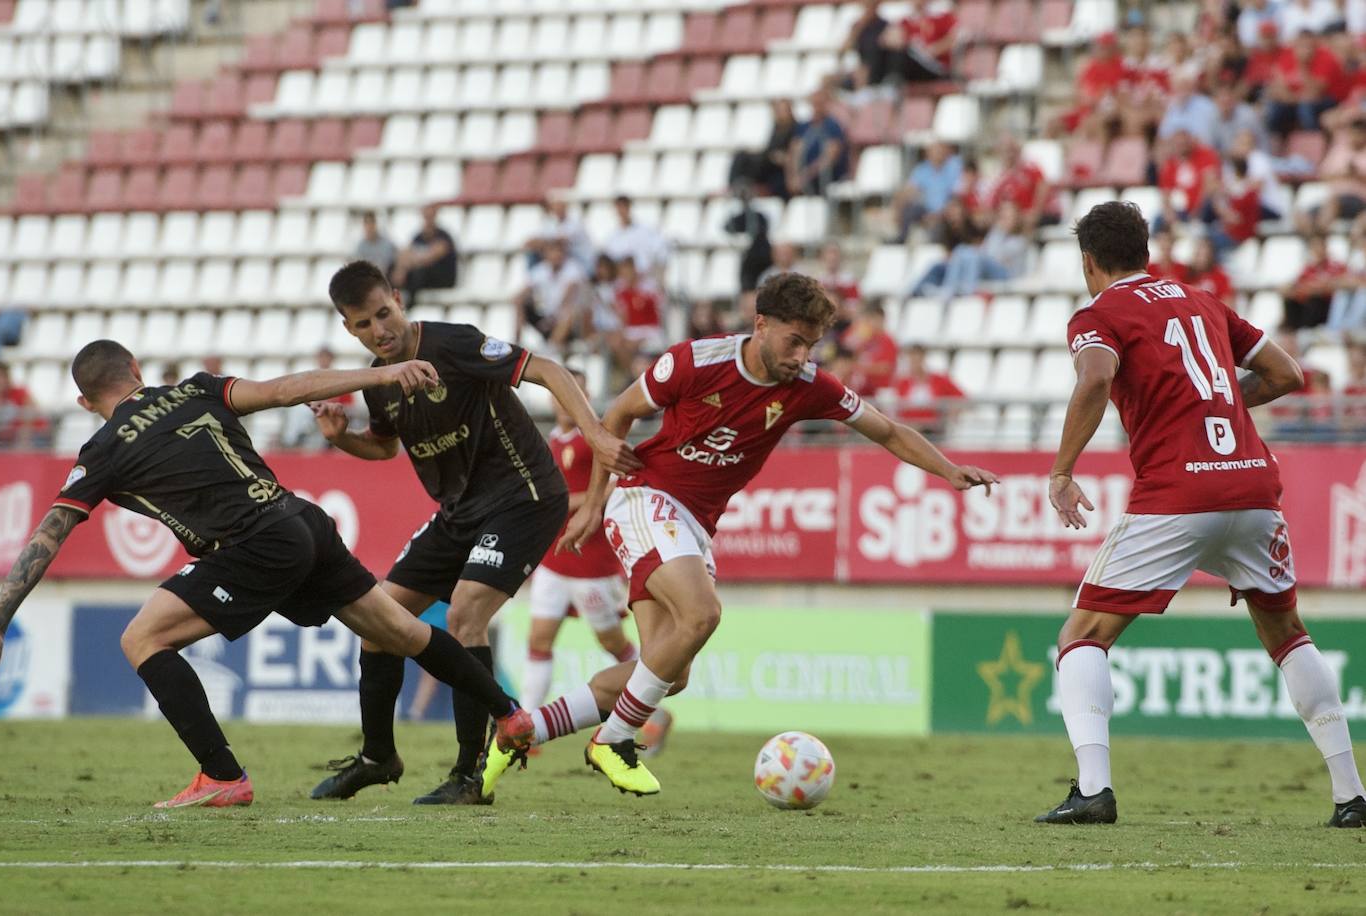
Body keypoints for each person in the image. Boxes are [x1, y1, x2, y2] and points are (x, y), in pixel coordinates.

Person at [481, 273, 998, 798]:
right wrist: (594, 502)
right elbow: (617, 415)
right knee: (702, 614)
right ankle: (613, 740)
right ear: (761, 325)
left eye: (811, 345)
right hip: (646, 497)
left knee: (667, 672)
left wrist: (948, 469)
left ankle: (523, 730)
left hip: (694, 524)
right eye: (793, 341)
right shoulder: (693, 362)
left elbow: (887, 429)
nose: (801, 356)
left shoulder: (808, 386)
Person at [0, 340, 535, 808]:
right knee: (402, 633)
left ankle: (222, 776)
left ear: (86, 402)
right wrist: (382, 372)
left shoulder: (102, 449)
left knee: (142, 638)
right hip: (301, 519)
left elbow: (51, 532)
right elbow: (286, 389)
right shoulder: (198, 388)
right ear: (136, 368)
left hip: (251, 545)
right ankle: (507, 713)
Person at [1037, 200, 1366, 828]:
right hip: (1251, 487)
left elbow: (1096, 378)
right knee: (1289, 634)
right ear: (1146, 251)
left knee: (1082, 637)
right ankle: (1352, 796)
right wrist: (1214, 407)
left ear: (1089, 262)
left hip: (1177, 495)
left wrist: (1062, 470)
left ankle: (1093, 792)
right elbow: (1287, 373)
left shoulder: (1098, 314)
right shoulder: (1203, 302)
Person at [306, 261, 639, 805]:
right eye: (364, 323)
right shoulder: (378, 382)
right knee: (377, 618)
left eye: (384, 314)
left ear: (398, 298)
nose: (379, 330)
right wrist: (342, 438)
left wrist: (597, 435)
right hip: (459, 512)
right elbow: (385, 447)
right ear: (349, 328)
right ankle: (377, 756)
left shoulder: (453, 344)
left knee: (465, 614)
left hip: (524, 495)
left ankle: (470, 773)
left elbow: (551, 370)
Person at [521, 361, 644, 731]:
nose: (566, 402)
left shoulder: (597, 438)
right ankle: (524, 722)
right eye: (561, 394)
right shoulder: (551, 442)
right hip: (554, 560)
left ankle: (649, 705)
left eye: (575, 393)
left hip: (593, 563)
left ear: (585, 398)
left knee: (612, 643)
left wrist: (568, 503)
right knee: (539, 638)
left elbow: (621, 480)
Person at [516, 238, 589, 354]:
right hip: (547, 317)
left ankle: (550, 350)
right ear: (546, 254)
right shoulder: (540, 270)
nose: (556, 255)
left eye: (559, 252)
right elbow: (523, 292)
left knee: (569, 313)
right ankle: (517, 342)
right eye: (552, 251)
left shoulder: (573, 269)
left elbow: (567, 299)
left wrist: (551, 319)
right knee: (519, 301)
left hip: (566, 322)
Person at [887, 343, 964, 438]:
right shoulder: (902, 382)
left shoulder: (939, 379)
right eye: (912, 359)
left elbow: (961, 398)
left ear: (923, 358)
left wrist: (951, 412)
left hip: (933, 429)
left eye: (917, 358)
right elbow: (894, 407)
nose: (914, 362)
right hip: (908, 428)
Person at [727, 99, 798, 200]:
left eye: (782, 110)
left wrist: (782, 157)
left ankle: (740, 185)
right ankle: (735, 185)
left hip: (778, 170)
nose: (779, 113)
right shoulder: (776, 128)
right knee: (742, 156)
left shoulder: (795, 129)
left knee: (750, 160)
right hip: (769, 161)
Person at [391, 205, 458, 307]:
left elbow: (431, 256)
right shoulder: (418, 236)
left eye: (430, 216)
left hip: (443, 278)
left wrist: (412, 261)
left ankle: (409, 305)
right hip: (425, 276)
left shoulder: (443, 235)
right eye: (426, 216)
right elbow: (406, 253)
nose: (428, 219)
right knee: (394, 270)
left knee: (419, 272)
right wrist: (401, 269)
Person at [787, 88, 849, 197]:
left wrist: (805, 176)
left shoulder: (832, 127)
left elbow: (830, 157)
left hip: (825, 178)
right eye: (815, 104)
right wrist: (793, 177)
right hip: (803, 180)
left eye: (820, 104)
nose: (817, 107)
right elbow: (794, 152)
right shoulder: (803, 127)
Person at [604, 196, 669, 286]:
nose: (621, 211)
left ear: (629, 207)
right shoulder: (612, 237)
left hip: (645, 281)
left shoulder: (646, 230)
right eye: (619, 207)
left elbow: (661, 252)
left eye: (624, 207)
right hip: (623, 284)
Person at [354, 211, 397, 277]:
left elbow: (389, 263)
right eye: (367, 223)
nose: (370, 227)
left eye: (371, 223)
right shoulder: (360, 246)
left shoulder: (386, 243)